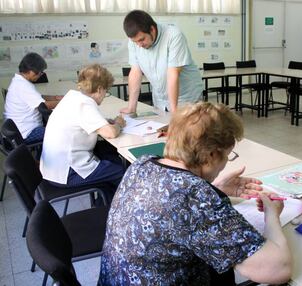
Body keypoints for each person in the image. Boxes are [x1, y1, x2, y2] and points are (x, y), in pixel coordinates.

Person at [98, 102, 292, 285]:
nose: (226, 162)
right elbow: (278, 269)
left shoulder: (142, 163)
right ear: (211, 155)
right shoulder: (195, 197)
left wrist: (216, 188)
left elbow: (172, 209)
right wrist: (271, 214)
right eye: (227, 155)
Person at [40, 64, 126, 202]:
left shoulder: (72, 97)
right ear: (99, 89)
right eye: (106, 91)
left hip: (53, 169)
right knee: (123, 172)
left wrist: (102, 121)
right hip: (68, 173)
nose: (105, 95)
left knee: (109, 156)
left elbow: (79, 121)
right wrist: (118, 124)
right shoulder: (85, 104)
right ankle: (114, 211)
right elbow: (110, 133)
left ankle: (105, 204)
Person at [121, 10, 203, 114]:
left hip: (186, 99)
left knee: (186, 129)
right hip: (160, 101)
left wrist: (174, 113)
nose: (139, 45)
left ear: (152, 29)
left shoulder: (173, 35)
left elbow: (173, 74)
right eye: (135, 41)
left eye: (142, 39)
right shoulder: (135, 42)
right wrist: (131, 108)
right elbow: (135, 72)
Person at [3, 52, 59, 144]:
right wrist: (66, 101)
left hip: (19, 128)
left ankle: (41, 153)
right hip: (26, 133)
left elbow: (37, 97)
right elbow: (43, 106)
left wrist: (55, 97)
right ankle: (45, 156)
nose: (41, 75)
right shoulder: (23, 86)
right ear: (31, 71)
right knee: (62, 131)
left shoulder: (19, 81)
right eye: (40, 72)